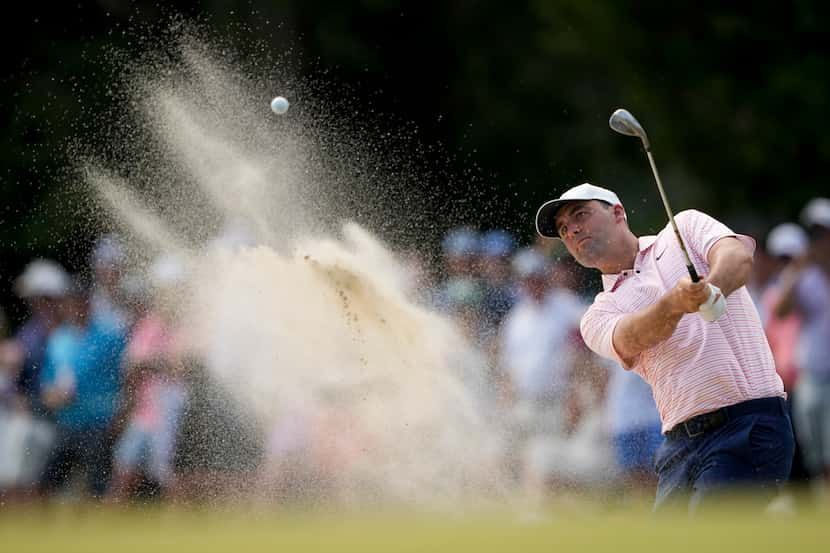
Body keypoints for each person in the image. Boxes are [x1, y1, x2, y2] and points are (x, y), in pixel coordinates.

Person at [535, 182, 793, 511]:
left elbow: (736, 258)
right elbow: (630, 337)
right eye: (562, 228)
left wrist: (710, 290)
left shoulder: (682, 229)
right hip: (678, 444)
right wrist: (675, 304)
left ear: (617, 213)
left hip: (746, 423)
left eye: (580, 215)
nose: (570, 229)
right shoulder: (598, 313)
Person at [772, 198, 830, 494]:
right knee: (815, 454)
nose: (820, 241)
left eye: (824, 234)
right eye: (815, 235)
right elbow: (780, 310)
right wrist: (799, 268)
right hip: (811, 375)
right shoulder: (804, 277)